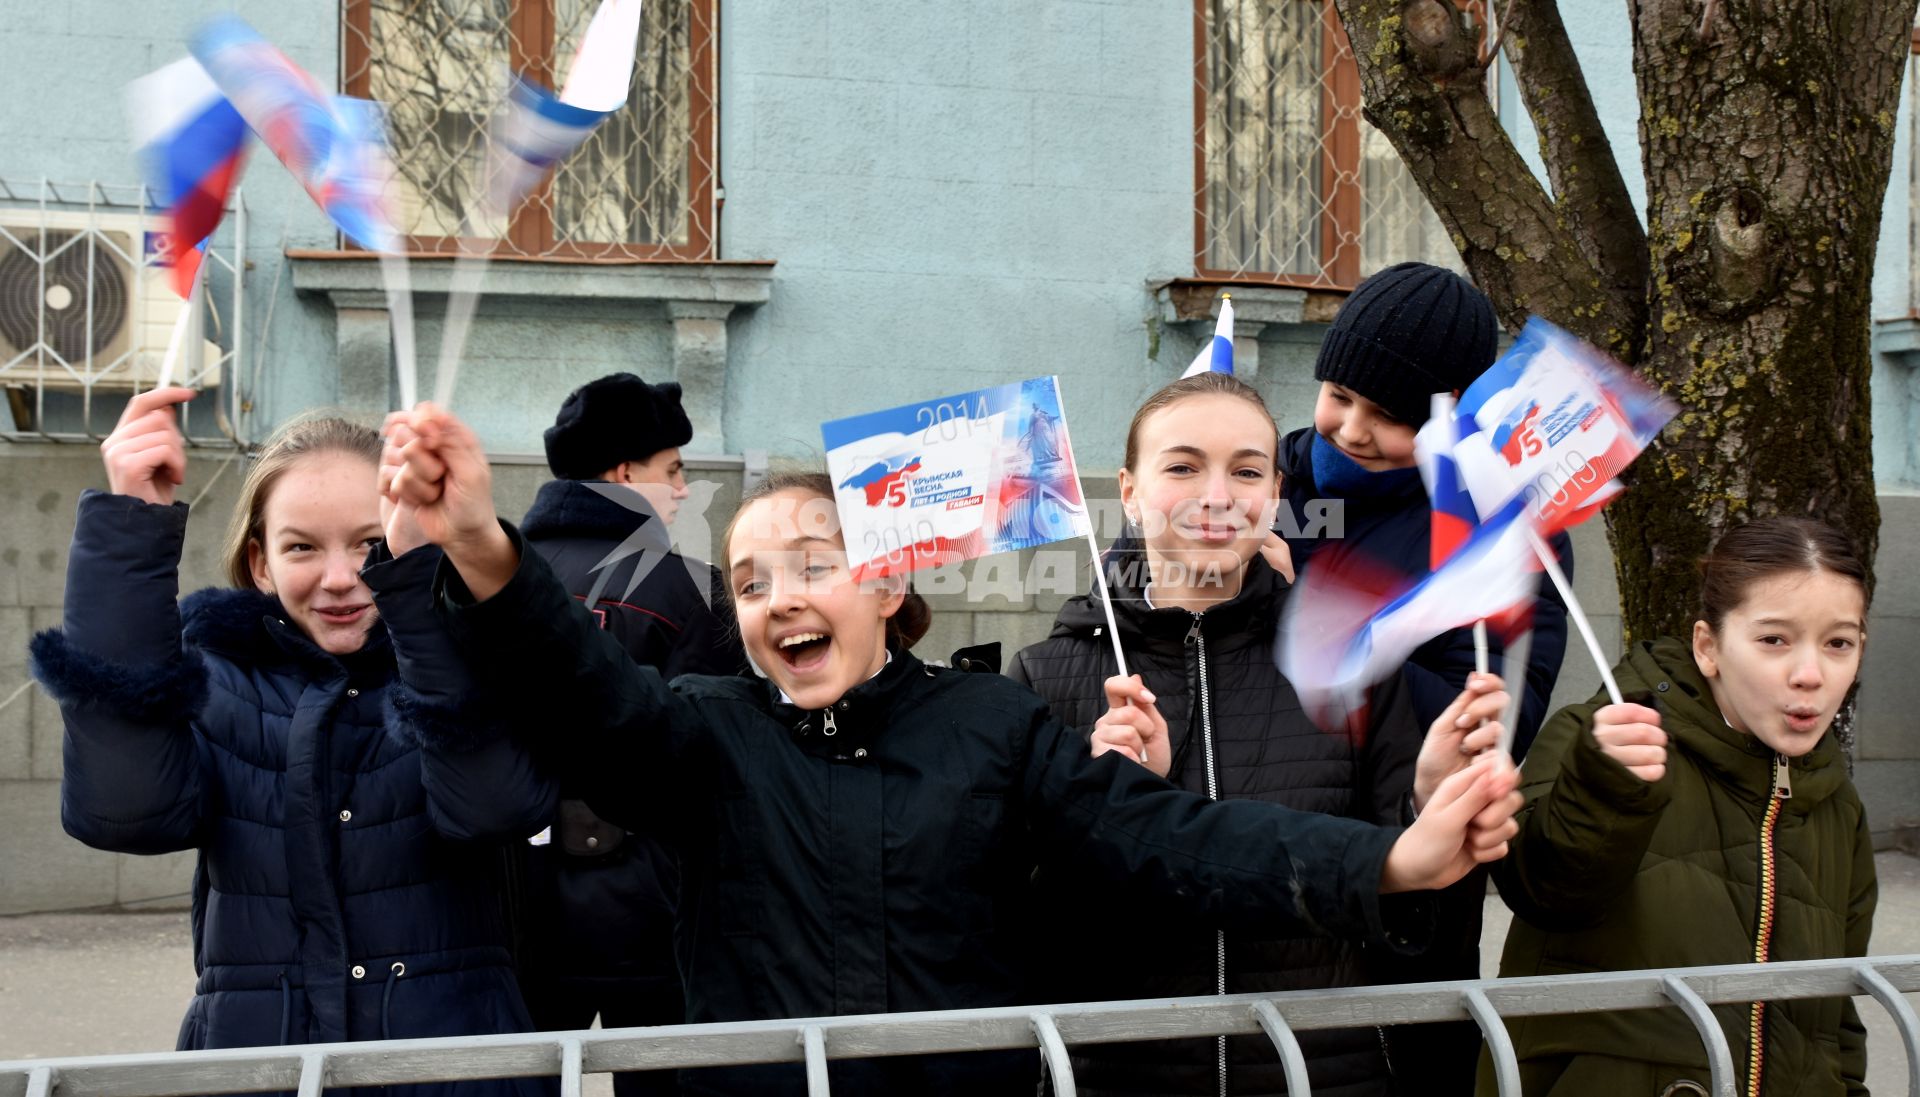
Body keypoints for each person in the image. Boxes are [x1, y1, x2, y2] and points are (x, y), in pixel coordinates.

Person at [378, 404, 1525, 1096]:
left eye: (815, 563)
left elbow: (1179, 836)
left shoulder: (992, 723)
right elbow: (583, 696)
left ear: (885, 583)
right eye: (750, 581)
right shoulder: (703, 731)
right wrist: (481, 542)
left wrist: (1394, 864)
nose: (782, 601)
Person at [28, 390, 549, 1097]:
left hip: (455, 1074)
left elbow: (495, 806)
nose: (340, 578)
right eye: (302, 545)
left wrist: (421, 597)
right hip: (254, 1066)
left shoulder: (471, 662)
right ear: (261, 563)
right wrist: (131, 531)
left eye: (371, 544)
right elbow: (124, 811)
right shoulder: (217, 681)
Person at [1009, 370, 1506, 1097]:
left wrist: (1428, 803)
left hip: (1327, 1075)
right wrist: (1117, 805)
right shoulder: (1046, 675)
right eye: (1182, 466)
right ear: (1131, 489)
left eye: (1245, 470)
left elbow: (1426, 923)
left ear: (1274, 494)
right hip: (1122, 1078)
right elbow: (1018, 929)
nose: (1217, 496)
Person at [1274, 262, 1575, 1091]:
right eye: (1339, 393)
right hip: (1260, 880)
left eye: (1392, 415)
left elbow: (1490, 729)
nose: (1352, 429)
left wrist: (1310, 618)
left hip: (1404, 914)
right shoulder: (1257, 483)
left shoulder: (1498, 527)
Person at [1484, 516, 1876, 1096]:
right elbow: (1543, 888)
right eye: (1774, 639)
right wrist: (1604, 787)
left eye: (1838, 643)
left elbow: (1836, 1016)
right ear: (1708, 647)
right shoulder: (1604, 740)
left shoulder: (1835, 802)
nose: (1810, 675)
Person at [515, 374, 744, 1096]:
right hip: (657, 915)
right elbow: (710, 756)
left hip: (517, 908)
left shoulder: (494, 577)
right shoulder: (689, 588)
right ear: (623, 475)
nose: (682, 489)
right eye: (670, 470)